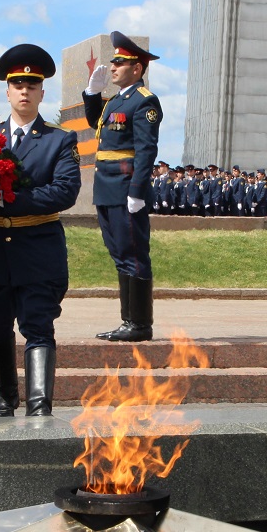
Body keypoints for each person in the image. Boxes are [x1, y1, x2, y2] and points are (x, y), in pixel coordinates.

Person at [0, 45, 81, 418]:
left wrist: (9, 199)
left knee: (37, 326)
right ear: (7, 91)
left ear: (41, 92)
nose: (24, 90)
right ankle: (6, 400)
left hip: (38, 248)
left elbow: (65, 191)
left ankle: (39, 406)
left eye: (31, 84)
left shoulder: (60, 140)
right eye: (17, 84)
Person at [82, 31, 162, 342]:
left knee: (133, 254)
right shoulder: (117, 100)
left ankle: (139, 324)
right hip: (106, 186)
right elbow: (97, 127)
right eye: (114, 61)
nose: (113, 67)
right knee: (119, 254)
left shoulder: (144, 101)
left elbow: (146, 151)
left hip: (126, 186)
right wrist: (92, 94)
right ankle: (128, 321)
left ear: (137, 69)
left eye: (120, 62)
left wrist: (137, 192)